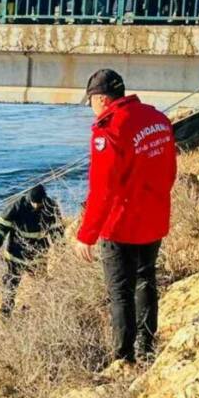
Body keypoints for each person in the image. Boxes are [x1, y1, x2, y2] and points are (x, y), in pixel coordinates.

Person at [74, 69, 177, 365]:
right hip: (154, 216)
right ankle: (147, 347)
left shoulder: (108, 130)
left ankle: (124, 358)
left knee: (120, 293)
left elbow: (102, 189)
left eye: (91, 101)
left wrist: (86, 235)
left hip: (120, 224)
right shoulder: (156, 118)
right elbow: (169, 170)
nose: (91, 108)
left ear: (102, 99)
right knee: (146, 280)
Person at [0, 185, 62, 316]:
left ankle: (35, 309)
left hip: (39, 253)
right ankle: (6, 312)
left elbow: (56, 229)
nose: (36, 206)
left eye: (39, 203)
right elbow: (1, 225)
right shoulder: (17, 206)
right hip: (16, 253)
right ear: (29, 199)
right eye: (34, 203)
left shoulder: (51, 206)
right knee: (11, 283)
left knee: (40, 283)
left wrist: (60, 246)